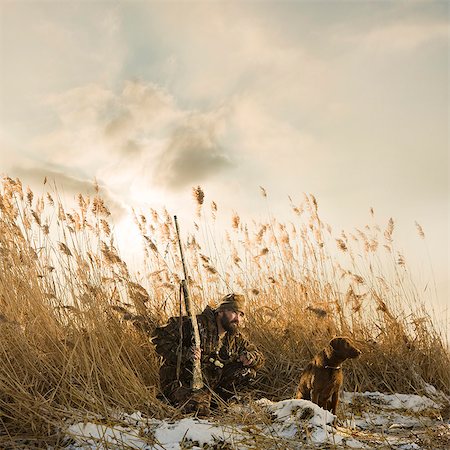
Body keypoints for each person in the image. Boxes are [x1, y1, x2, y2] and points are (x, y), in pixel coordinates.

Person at [152, 293, 264, 416]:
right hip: (185, 383)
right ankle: (177, 402)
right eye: (233, 312)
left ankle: (220, 404)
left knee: (247, 372)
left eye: (241, 314)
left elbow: (257, 355)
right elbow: (158, 337)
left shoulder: (234, 336)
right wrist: (185, 354)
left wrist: (251, 358)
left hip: (212, 386)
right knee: (199, 411)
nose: (237, 318)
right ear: (220, 311)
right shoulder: (193, 324)